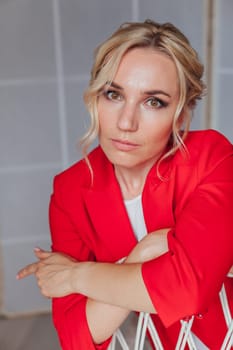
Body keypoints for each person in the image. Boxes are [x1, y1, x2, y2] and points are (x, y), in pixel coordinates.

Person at [17, 19, 233, 350]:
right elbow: (77, 337)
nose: (125, 122)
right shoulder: (71, 191)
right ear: (95, 97)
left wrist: (76, 275)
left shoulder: (212, 159)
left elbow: (188, 291)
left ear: (183, 113)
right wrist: (140, 256)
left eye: (154, 101)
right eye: (114, 94)